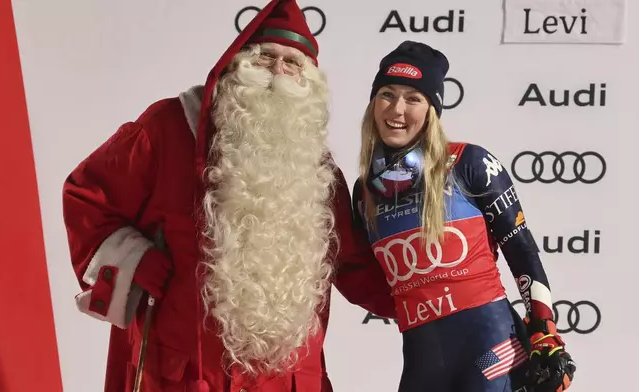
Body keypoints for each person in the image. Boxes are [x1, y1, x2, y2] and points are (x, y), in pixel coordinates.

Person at [61, 1, 394, 391]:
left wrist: (434, 296)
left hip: (285, 379)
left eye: (293, 63)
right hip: (183, 372)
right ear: (238, 66)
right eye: (267, 57)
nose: (278, 72)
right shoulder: (168, 129)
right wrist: (136, 262)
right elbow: (87, 195)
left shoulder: (315, 167)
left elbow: (353, 263)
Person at [351, 40, 577, 392]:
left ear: (431, 110)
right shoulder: (364, 192)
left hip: (490, 353)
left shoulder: (469, 163)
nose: (396, 109)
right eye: (386, 94)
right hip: (423, 365)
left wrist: (544, 333)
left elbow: (523, 252)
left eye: (413, 98)